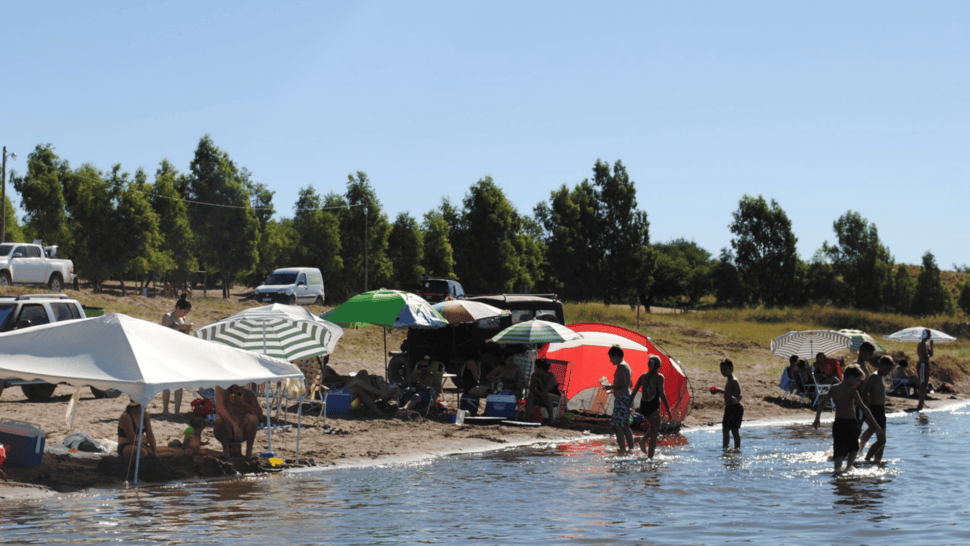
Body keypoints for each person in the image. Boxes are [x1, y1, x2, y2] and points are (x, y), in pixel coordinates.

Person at [812, 367, 884, 474]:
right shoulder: (852, 391)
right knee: (854, 448)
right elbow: (864, 408)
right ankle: (848, 468)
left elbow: (822, 404)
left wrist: (817, 419)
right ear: (850, 378)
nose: (859, 383)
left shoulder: (834, 388)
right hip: (851, 423)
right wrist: (876, 425)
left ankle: (837, 470)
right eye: (858, 380)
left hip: (838, 423)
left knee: (838, 448)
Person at [631, 355, 671, 458]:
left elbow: (634, 391)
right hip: (653, 407)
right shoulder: (659, 377)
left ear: (649, 365)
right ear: (659, 367)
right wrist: (668, 410)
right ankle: (650, 459)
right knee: (654, 434)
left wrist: (628, 405)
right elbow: (662, 394)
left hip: (644, 407)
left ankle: (643, 441)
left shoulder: (643, 376)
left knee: (654, 426)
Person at [160, 295, 194, 415]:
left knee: (180, 383)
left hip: (179, 352)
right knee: (167, 382)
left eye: (186, 312)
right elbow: (163, 333)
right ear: (178, 307)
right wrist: (179, 327)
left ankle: (177, 411)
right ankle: (165, 410)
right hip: (168, 351)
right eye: (184, 311)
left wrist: (187, 329)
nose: (184, 314)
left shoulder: (182, 319)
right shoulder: (168, 316)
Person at [859, 356, 894, 463]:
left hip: (880, 410)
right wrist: (867, 410)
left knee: (880, 439)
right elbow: (865, 392)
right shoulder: (874, 377)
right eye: (886, 368)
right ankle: (867, 460)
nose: (888, 371)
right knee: (882, 439)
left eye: (889, 369)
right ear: (880, 365)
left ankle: (877, 460)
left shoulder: (882, 377)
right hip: (874, 409)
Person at [214, 384, 263, 458]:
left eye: (240, 388)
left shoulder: (249, 394)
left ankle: (248, 453)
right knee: (220, 420)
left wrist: (243, 403)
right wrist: (234, 426)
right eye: (235, 389)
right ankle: (226, 451)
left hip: (242, 429)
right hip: (226, 430)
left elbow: (259, 415)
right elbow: (220, 411)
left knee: (253, 418)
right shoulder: (222, 393)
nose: (238, 391)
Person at [603, 345, 634, 454]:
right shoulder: (627, 366)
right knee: (625, 426)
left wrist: (611, 387)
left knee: (617, 426)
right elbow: (630, 384)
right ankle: (631, 449)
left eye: (611, 357)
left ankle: (622, 449)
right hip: (627, 398)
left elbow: (624, 384)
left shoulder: (621, 366)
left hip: (622, 399)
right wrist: (615, 389)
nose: (610, 360)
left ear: (616, 356)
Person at [711, 359, 743, 451]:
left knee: (734, 431)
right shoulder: (729, 380)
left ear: (731, 369)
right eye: (721, 369)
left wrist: (737, 400)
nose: (723, 372)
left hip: (735, 408)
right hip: (729, 408)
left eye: (725, 369)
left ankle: (737, 448)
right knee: (725, 429)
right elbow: (728, 392)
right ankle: (726, 447)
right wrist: (719, 390)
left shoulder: (734, 380)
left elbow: (740, 394)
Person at [524, 358, 561, 424]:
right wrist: (539, 394)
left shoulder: (551, 376)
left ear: (540, 368)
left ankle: (551, 419)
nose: (534, 368)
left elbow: (545, 390)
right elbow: (532, 389)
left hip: (554, 396)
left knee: (546, 395)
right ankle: (527, 418)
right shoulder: (535, 375)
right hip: (541, 395)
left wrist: (540, 382)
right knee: (531, 395)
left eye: (535, 366)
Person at [916, 329, 934, 411]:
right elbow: (926, 357)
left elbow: (931, 354)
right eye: (929, 335)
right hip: (923, 364)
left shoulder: (925, 345)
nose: (930, 337)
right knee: (923, 384)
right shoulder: (921, 345)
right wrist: (928, 354)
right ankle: (920, 403)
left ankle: (922, 402)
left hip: (925, 364)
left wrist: (931, 346)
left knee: (925, 384)